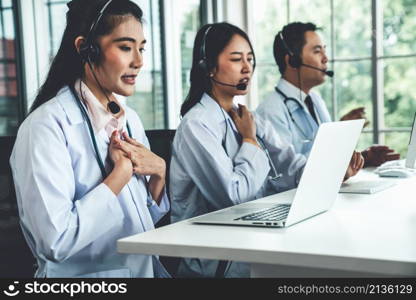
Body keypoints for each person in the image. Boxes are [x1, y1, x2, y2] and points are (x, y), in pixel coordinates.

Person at [169, 22, 363, 278]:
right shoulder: (197, 125)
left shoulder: (244, 115)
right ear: (209, 67)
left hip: (247, 245)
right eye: (237, 59)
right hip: (214, 265)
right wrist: (249, 141)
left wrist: (335, 171)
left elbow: (291, 165)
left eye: (250, 59)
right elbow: (234, 196)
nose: (247, 67)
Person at [9, 0, 170, 278]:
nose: (139, 61)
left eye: (141, 48)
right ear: (86, 48)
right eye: (125, 47)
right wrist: (119, 176)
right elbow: (55, 241)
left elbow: (141, 223)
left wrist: (159, 173)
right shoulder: (45, 128)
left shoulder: (129, 119)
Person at [256, 22, 400, 167]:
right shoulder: (270, 112)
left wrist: (362, 157)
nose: (326, 58)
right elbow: (289, 171)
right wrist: (339, 136)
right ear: (292, 61)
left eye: (324, 50)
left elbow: (325, 157)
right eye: (317, 51)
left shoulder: (316, 100)